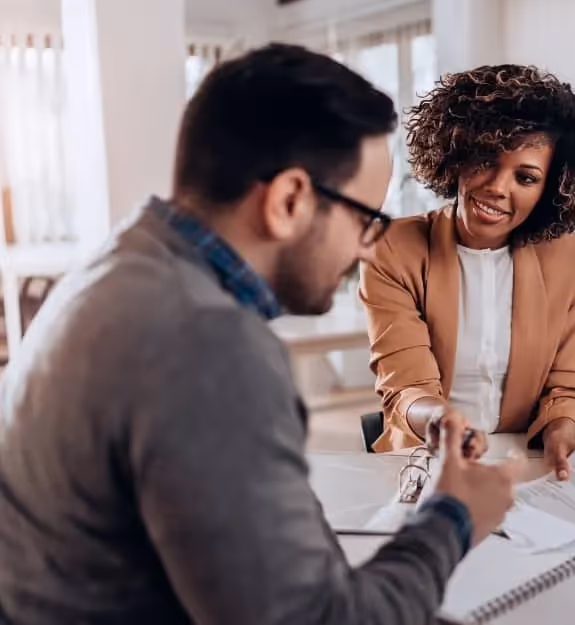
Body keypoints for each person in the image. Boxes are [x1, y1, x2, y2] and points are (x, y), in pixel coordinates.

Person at [0, 44, 524, 625]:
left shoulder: (119, 266)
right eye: (365, 220)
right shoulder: (206, 343)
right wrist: (452, 516)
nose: (368, 249)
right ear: (289, 200)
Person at [360, 64, 575, 480]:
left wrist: (562, 429)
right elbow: (406, 387)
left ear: (548, 190)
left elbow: (568, 382)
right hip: (426, 461)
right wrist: (443, 423)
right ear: (457, 154)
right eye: (487, 159)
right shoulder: (392, 248)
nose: (497, 186)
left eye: (525, 177)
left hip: (525, 463)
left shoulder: (567, 256)